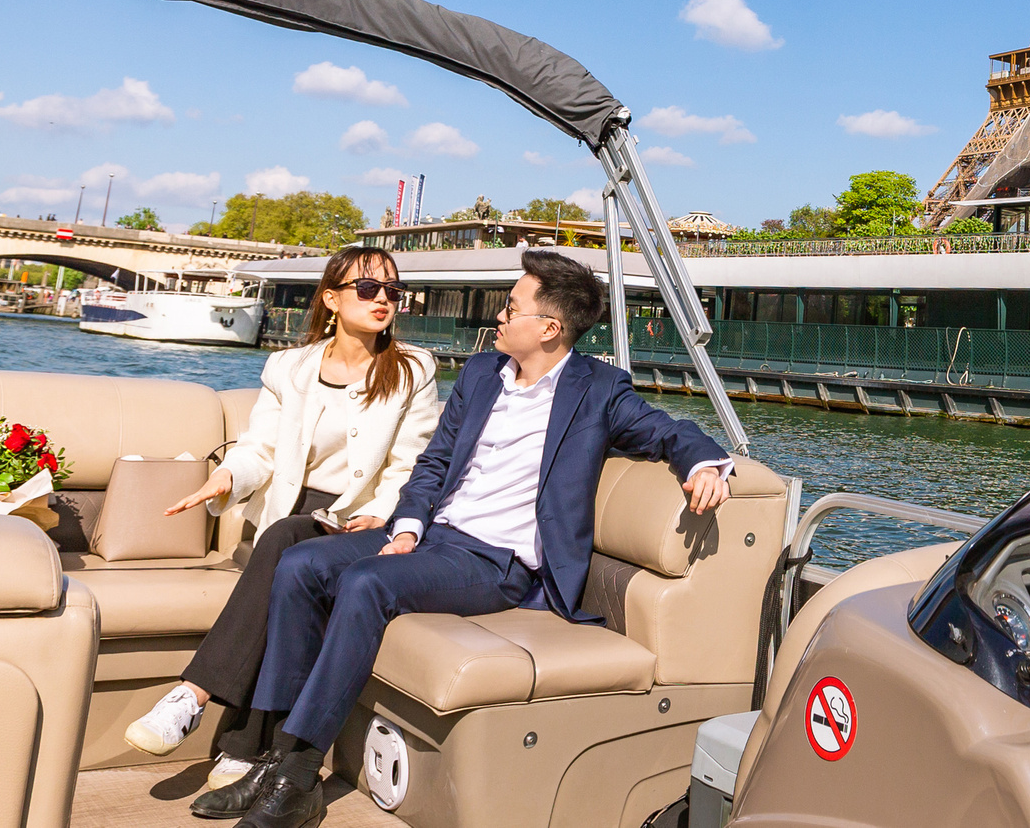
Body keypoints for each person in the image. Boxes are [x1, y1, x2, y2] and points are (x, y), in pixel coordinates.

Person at [216, 249, 732, 828]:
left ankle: (297, 776)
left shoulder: (599, 388)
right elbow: (434, 463)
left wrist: (704, 465)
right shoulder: (482, 374)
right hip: (433, 536)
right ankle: (272, 756)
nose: (499, 316)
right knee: (300, 564)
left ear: (549, 328)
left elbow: (668, 431)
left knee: (365, 582)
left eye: (511, 307)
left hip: (496, 562)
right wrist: (407, 527)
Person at [124, 245, 439, 814]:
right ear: (332, 299)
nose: (384, 299)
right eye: (368, 288)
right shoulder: (288, 368)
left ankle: (194, 697)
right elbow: (260, 449)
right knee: (283, 544)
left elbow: (410, 465)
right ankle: (244, 748)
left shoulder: (413, 370)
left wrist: (384, 513)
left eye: (393, 290)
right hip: (289, 515)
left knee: (283, 544)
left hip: (360, 521)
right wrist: (225, 477)